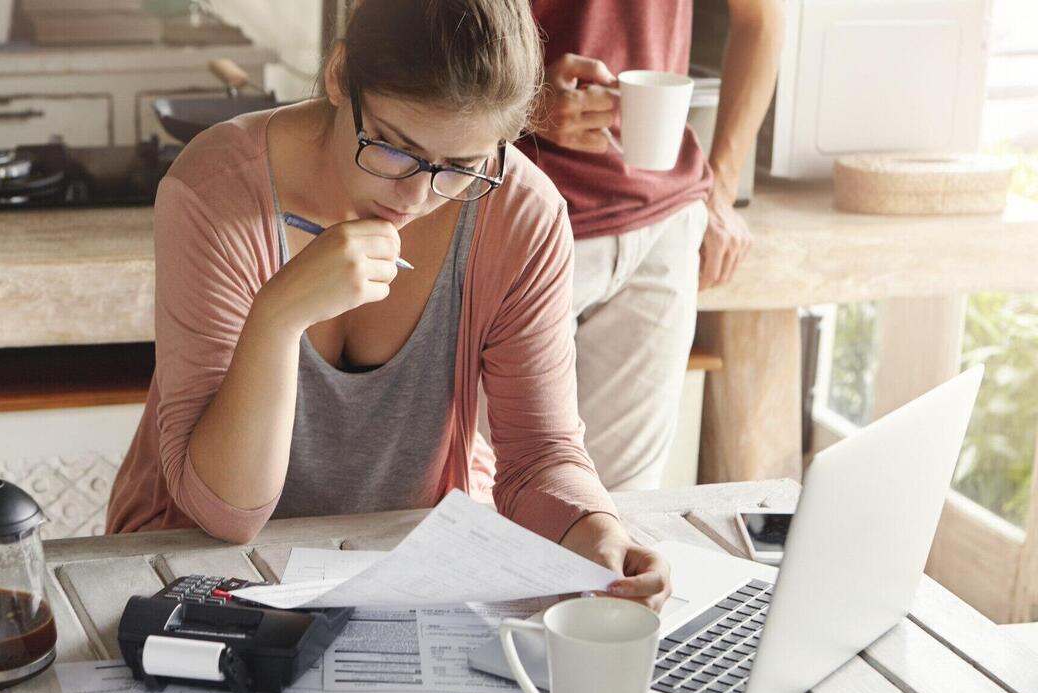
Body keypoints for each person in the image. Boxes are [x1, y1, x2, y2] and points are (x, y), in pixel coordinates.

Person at [106, 0, 671, 610]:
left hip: (411, 572)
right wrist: (278, 317)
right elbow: (224, 511)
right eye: (396, 149)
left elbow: (539, 455)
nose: (417, 196)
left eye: (461, 167)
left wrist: (598, 533)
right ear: (339, 75)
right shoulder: (216, 189)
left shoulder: (519, 215)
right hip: (191, 568)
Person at [520, 0, 784, 491]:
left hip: (660, 229)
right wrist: (520, 101)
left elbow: (761, 19)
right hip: (517, 221)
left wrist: (721, 192)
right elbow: (410, 32)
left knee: (625, 518)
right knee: (484, 499)